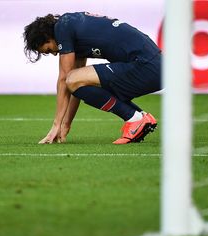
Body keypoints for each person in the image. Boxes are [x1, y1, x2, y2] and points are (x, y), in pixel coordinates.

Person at [23, 12, 161, 144]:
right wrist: (65, 125)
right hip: (154, 67)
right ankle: (141, 117)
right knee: (78, 81)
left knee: (71, 79)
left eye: (48, 50)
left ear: (47, 35)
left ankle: (135, 119)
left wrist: (55, 125)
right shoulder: (71, 27)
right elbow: (75, 86)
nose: (54, 54)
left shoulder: (62, 27)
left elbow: (64, 80)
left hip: (146, 66)